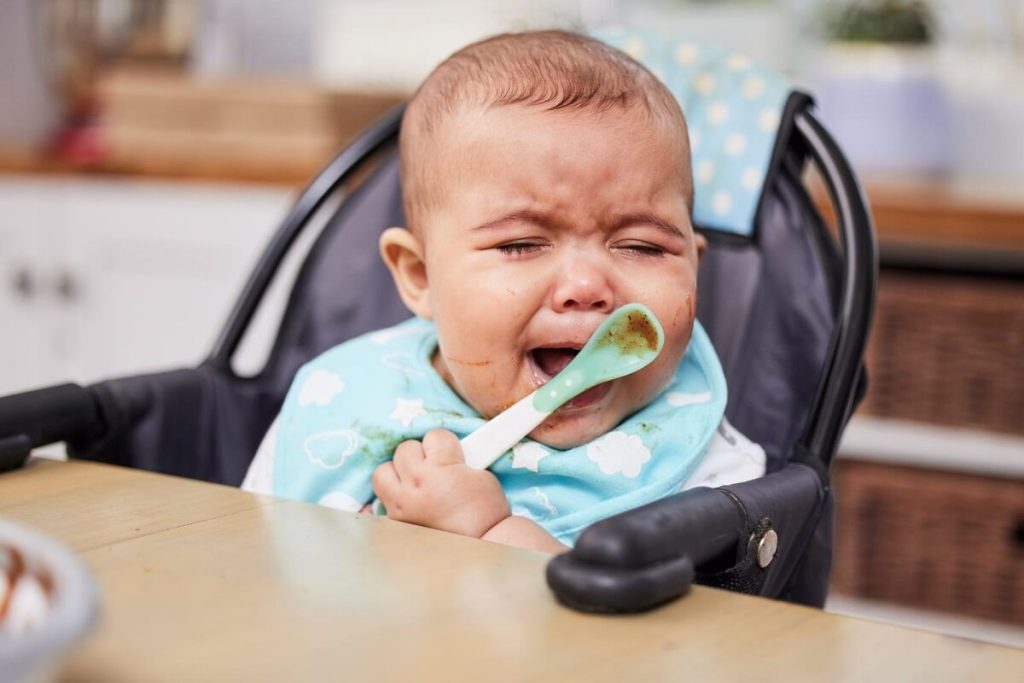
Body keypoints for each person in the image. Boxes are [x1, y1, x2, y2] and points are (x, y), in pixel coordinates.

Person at [242, 30, 764, 553]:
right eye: (521, 244)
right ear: (420, 277)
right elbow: (252, 567)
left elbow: (666, 633)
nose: (586, 287)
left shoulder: (708, 471)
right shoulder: (344, 399)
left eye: (642, 247)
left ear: (694, 266)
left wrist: (491, 533)